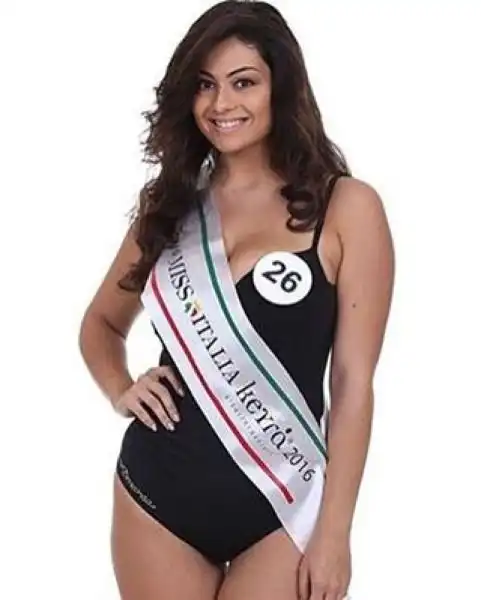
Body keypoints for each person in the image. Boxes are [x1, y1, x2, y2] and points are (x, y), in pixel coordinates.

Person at [79, 1, 395, 599]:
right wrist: (120, 387)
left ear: (282, 87)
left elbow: (353, 383)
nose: (221, 104)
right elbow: (100, 323)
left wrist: (335, 532)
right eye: (205, 85)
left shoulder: (348, 208)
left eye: (243, 82)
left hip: (286, 507)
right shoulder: (169, 207)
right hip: (158, 497)